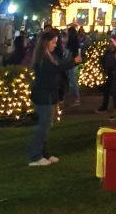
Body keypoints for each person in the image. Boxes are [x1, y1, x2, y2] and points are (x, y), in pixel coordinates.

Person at [28, 30, 82, 166]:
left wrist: (72, 61)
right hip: (43, 95)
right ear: (46, 43)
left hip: (50, 95)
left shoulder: (50, 55)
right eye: (53, 42)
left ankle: (43, 154)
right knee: (43, 126)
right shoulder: (43, 58)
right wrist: (74, 62)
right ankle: (35, 156)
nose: (55, 45)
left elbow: (60, 64)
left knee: (47, 126)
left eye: (56, 42)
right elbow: (56, 68)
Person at [65, 25, 81, 106]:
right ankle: (75, 97)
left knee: (73, 80)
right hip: (74, 61)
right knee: (73, 80)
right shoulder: (76, 40)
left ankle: (77, 98)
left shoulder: (72, 40)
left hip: (72, 61)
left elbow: (69, 51)